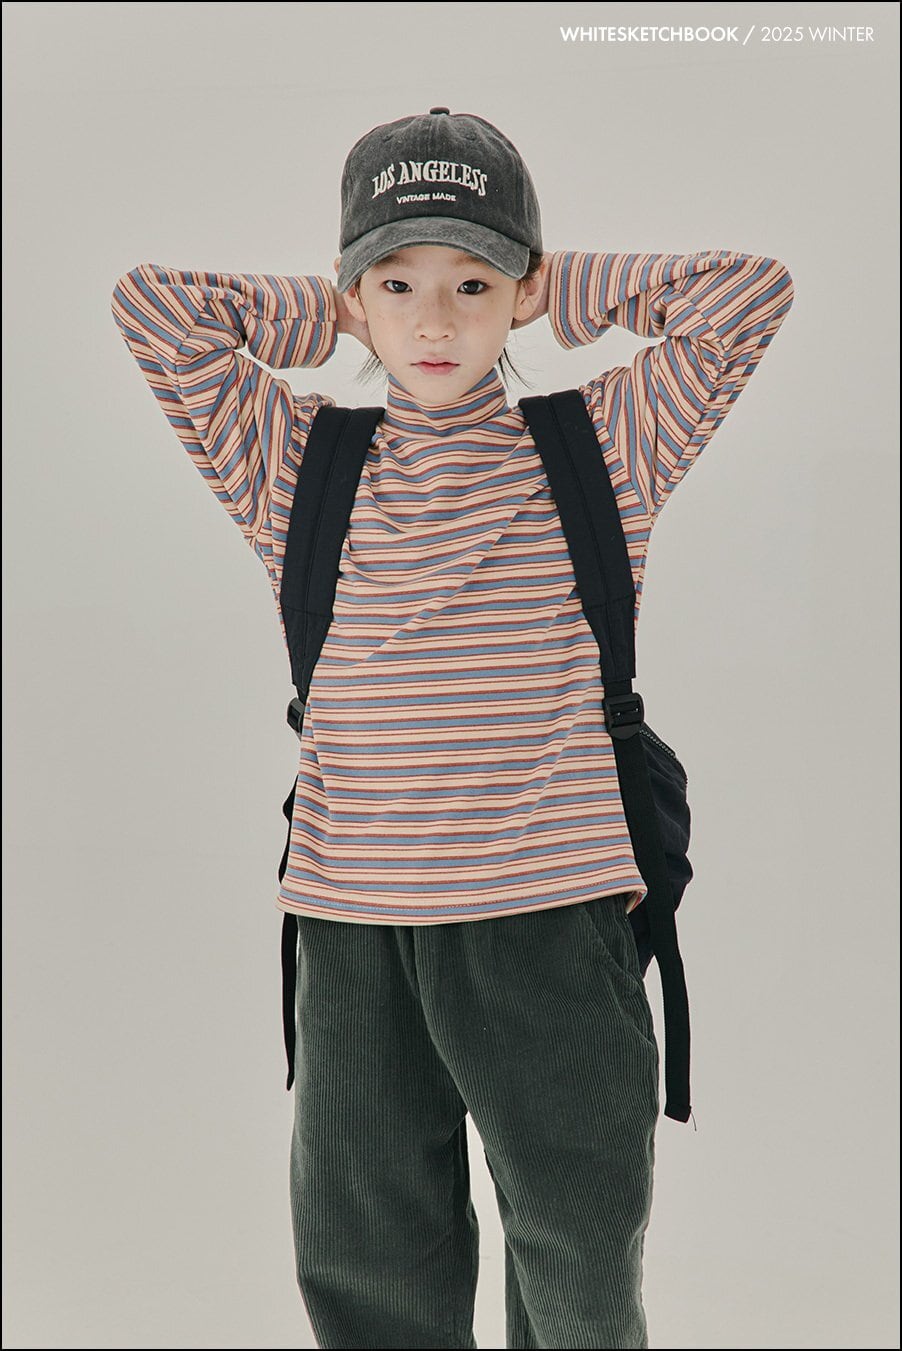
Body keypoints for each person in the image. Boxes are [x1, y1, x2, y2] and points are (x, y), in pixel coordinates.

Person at [110, 107, 794, 1351]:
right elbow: (153, 309)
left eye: (471, 283)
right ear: (353, 296)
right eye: (398, 283)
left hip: (549, 914)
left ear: (519, 291)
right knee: (367, 1256)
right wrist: (329, 311)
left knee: (576, 1253)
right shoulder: (296, 463)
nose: (434, 321)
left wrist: (548, 288)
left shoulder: (600, 447)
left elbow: (747, 295)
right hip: (353, 926)